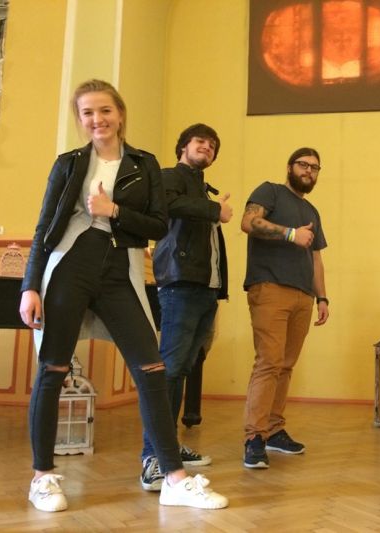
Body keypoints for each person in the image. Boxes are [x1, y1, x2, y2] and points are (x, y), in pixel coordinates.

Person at [19, 79, 228, 512]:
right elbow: (44, 228)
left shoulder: (144, 163)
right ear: (80, 119)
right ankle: (42, 477)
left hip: (119, 270)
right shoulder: (68, 163)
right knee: (53, 369)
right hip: (70, 267)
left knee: (152, 368)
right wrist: (30, 286)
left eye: (105, 110)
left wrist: (112, 210)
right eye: (88, 113)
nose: (97, 119)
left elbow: (157, 225)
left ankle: (173, 478)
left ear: (120, 114)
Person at [139, 123, 232, 490]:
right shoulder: (169, 177)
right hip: (180, 286)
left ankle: (170, 447)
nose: (207, 147)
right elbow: (168, 205)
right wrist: (214, 209)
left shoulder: (200, 187)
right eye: (200, 141)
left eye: (212, 145)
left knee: (180, 370)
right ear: (183, 146)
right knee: (170, 371)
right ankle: (153, 457)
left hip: (204, 289)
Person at [240, 147, 329, 469]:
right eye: (303, 165)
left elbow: (316, 257)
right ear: (290, 167)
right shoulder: (271, 191)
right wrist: (290, 234)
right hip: (270, 288)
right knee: (269, 362)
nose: (309, 171)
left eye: (315, 167)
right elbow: (248, 222)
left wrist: (322, 298)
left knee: (286, 365)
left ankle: (274, 429)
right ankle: (254, 436)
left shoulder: (312, 210)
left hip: (303, 296)